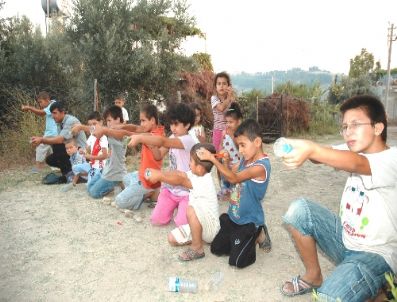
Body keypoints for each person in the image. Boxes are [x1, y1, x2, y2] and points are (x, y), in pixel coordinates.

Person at [279, 95, 397, 301]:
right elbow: (323, 156)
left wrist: (313, 149)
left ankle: (380, 287)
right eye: (344, 127)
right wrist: (304, 148)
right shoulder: (354, 147)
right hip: (345, 242)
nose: (347, 132)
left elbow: (356, 163)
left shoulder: (391, 159)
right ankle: (314, 275)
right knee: (299, 210)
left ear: (378, 128)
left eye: (355, 125)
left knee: (328, 298)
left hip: (376, 256)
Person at [197, 119, 271, 268]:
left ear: (257, 142)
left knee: (237, 262)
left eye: (243, 145)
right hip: (234, 216)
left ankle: (259, 232)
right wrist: (225, 161)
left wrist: (212, 158)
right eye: (239, 146)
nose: (241, 150)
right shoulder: (245, 160)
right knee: (216, 249)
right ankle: (239, 237)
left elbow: (234, 177)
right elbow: (228, 179)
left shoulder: (262, 166)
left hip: (248, 221)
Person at [144, 143, 220, 261]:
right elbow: (180, 174)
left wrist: (160, 177)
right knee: (172, 238)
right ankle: (198, 238)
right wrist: (160, 173)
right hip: (201, 226)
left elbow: (181, 180)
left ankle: (197, 249)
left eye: (190, 161)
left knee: (191, 209)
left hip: (210, 228)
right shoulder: (196, 173)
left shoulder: (205, 180)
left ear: (199, 168)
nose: (189, 164)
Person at [128, 102, 196, 226]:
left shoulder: (188, 140)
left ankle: (184, 207)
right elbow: (158, 156)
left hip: (186, 191)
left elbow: (162, 141)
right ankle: (174, 205)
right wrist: (152, 146)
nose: (173, 128)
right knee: (156, 220)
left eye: (176, 124)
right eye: (171, 124)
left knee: (182, 224)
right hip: (171, 188)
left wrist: (140, 137)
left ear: (187, 125)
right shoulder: (172, 138)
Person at [113, 104, 165, 211]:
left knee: (119, 201)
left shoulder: (154, 136)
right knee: (125, 178)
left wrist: (129, 134)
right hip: (141, 174)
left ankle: (144, 195)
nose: (141, 124)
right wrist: (122, 126)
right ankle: (149, 192)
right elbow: (135, 128)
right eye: (140, 120)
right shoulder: (150, 131)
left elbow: (133, 133)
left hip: (148, 179)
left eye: (143, 120)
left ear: (152, 120)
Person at [81, 105, 130, 199]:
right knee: (89, 187)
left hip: (115, 173)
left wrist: (80, 127)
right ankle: (113, 182)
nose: (107, 124)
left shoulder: (120, 134)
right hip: (108, 170)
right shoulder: (111, 132)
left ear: (118, 119)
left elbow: (97, 132)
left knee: (93, 193)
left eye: (109, 120)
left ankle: (116, 183)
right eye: (106, 121)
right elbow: (96, 133)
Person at [31, 101, 87, 182]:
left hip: (81, 153)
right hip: (71, 151)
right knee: (50, 159)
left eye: (55, 113)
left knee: (57, 145)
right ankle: (72, 171)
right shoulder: (59, 123)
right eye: (51, 114)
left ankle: (69, 175)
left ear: (62, 112)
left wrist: (42, 140)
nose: (53, 116)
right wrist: (41, 141)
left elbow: (60, 140)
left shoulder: (71, 121)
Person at [21, 91, 57, 173]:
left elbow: (42, 113)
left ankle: (37, 168)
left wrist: (29, 108)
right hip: (54, 133)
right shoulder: (53, 103)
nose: (40, 105)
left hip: (52, 133)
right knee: (54, 150)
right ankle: (56, 166)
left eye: (41, 102)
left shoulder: (52, 105)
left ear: (47, 99)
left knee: (41, 147)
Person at [70, 111, 109, 186]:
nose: (92, 127)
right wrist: (82, 150)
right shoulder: (91, 136)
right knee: (75, 167)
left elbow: (105, 156)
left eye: (94, 124)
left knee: (89, 186)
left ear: (101, 122)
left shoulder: (103, 137)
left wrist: (90, 156)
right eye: (90, 125)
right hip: (92, 164)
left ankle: (98, 177)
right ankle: (90, 175)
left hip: (100, 167)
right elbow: (87, 150)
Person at [218, 102, 243, 200]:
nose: (228, 125)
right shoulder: (224, 132)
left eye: (231, 122)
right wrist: (221, 153)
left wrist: (233, 137)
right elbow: (221, 145)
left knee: (235, 181)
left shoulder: (240, 134)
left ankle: (234, 193)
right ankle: (225, 190)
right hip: (226, 162)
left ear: (239, 121)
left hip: (237, 164)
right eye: (226, 122)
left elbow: (240, 149)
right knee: (223, 172)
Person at [211, 71, 235, 152]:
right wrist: (229, 99)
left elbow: (234, 115)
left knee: (229, 154)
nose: (221, 86)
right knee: (218, 154)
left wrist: (231, 98)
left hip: (229, 131)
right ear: (215, 87)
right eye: (219, 83)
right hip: (218, 131)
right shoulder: (214, 98)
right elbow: (221, 108)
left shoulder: (231, 100)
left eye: (224, 83)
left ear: (229, 86)